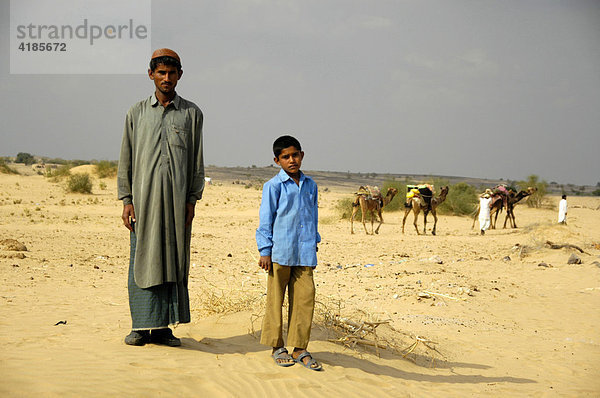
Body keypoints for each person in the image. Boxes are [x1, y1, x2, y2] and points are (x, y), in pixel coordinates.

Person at [117, 48, 204, 346]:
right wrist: (126, 199)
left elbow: (196, 161)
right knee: (142, 260)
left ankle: (165, 328)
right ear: (151, 74)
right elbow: (125, 158)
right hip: (144, 203)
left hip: (178, 204)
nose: (166, 78)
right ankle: (140, 327)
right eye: (161, 73)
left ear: (180, 75)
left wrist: (192, 199)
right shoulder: (136, 113)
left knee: (173, 261)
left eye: (172, 73)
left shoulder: (192, 114)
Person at [255, 135, 322, 371]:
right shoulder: (273, 186)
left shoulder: (311, 185)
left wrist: (314, 244)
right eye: (286, 157)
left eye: (295, 155)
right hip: (279, 253)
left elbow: (312, 217)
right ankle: (276, 346)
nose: (291, 160)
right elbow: (266, 220)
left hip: (304, 253)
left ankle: (300, 348)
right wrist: (264, 250)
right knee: (276, 300)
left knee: (305, 299)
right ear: (277, 160)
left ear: (302, 155)